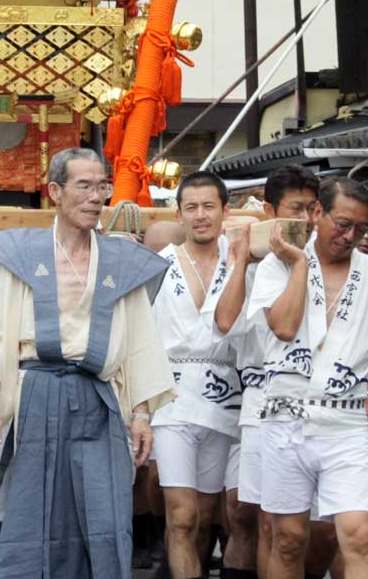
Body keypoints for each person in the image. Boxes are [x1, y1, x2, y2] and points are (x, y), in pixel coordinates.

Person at [0, 147, 175, 579]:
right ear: (55, 191)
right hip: (38, 394)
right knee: (35, 512)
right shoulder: (23, 255)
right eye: (84, 186)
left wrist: (142, 414)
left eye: (102, 187)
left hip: (99, 399)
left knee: (106, 513)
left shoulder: (120, 261)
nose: (96, 197)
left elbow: (140, 341)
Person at [248, 177, 368, 579]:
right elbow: (283, 326)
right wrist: (298, 263)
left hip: (347, 423)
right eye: (343, 224)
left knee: (360, 535)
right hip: (285, 418)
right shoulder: (276, 265)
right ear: (317, 214)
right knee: (289, 539)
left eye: (362, 230)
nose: (352, 237)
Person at [213, 164, 320, 579]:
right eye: (297, 209)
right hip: (261, 396)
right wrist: (241, 258)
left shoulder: (329, 256)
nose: (307, 220)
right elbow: (225, 323)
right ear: (272, 210)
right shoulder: (255, 256)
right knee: (263, 519)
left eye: (314, 209)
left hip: (321, 399)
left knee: (326, 528)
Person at [148, 171, 241, 579]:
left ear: (225, 211)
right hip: (172, 396)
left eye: (209, 206)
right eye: (192, 207)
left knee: (206, 517)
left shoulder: (242, 260)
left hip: (227, 397)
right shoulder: (157, 266)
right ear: (179, 214)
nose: (201, 216)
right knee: (182, 516)